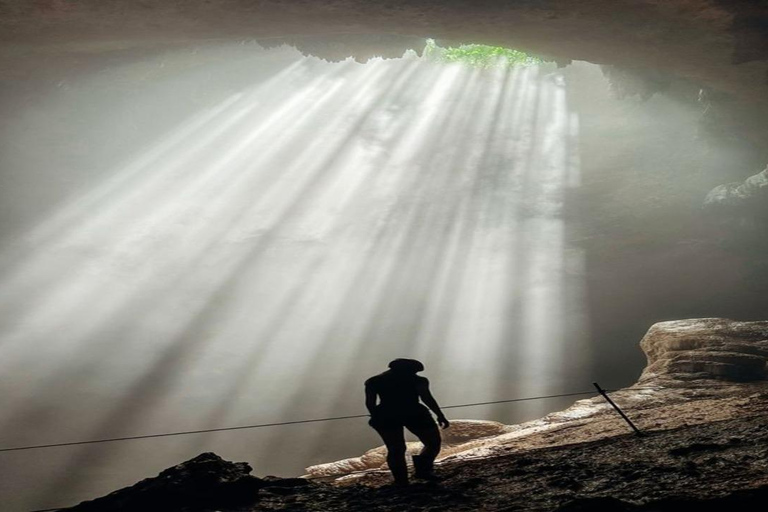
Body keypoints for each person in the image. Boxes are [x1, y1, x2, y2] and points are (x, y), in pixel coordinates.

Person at [365, 358, 450, 485]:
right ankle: (423, 470)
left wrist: (376, 416)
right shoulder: (418, 380)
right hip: (414, 412)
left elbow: (370, 403)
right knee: (432, 442)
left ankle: (401, 481)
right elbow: (427, 398)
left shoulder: (374, 381)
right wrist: (439, 415)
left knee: (395, 449)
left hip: (386, 414)